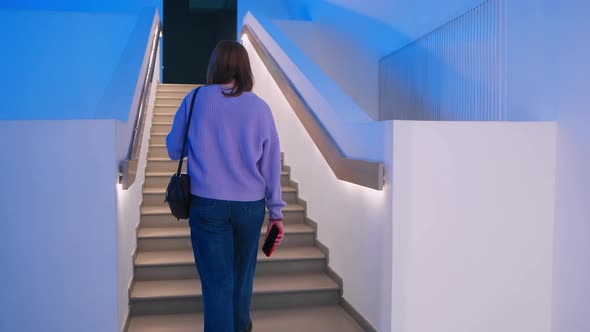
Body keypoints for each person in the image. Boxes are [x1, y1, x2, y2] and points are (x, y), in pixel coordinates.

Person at [166, 40, 286, 332]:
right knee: (243, 279)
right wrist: (277, 213)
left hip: (206, 205)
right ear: (245, 68)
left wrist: (205, 139)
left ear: (214, 66)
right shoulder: (260, 108)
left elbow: (173, 149)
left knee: (217, 284)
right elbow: (271, 164)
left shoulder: (195, 99)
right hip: (250, 208)